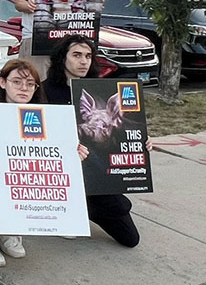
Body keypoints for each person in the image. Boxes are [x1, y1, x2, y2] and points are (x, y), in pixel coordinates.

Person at [0, 59, 88, 267]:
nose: (24, 88)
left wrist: (72, 154)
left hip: (16, 183)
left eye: (30, 84)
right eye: (17, 82)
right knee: (6, 201)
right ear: (3, 82)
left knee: (41, 194)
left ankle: (7, 230)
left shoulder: (43, 115)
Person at [42, 34, 152, 248]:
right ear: (62, 58)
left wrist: (142, 141)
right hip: (62, 168)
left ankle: (89, 209)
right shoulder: (45, 90)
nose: (83, 61)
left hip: (98, 171)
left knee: (130, 239)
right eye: (76, 55)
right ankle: (76, 208)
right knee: (118, 204)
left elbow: (121, 131)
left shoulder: (99, 89)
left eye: (88, 56)